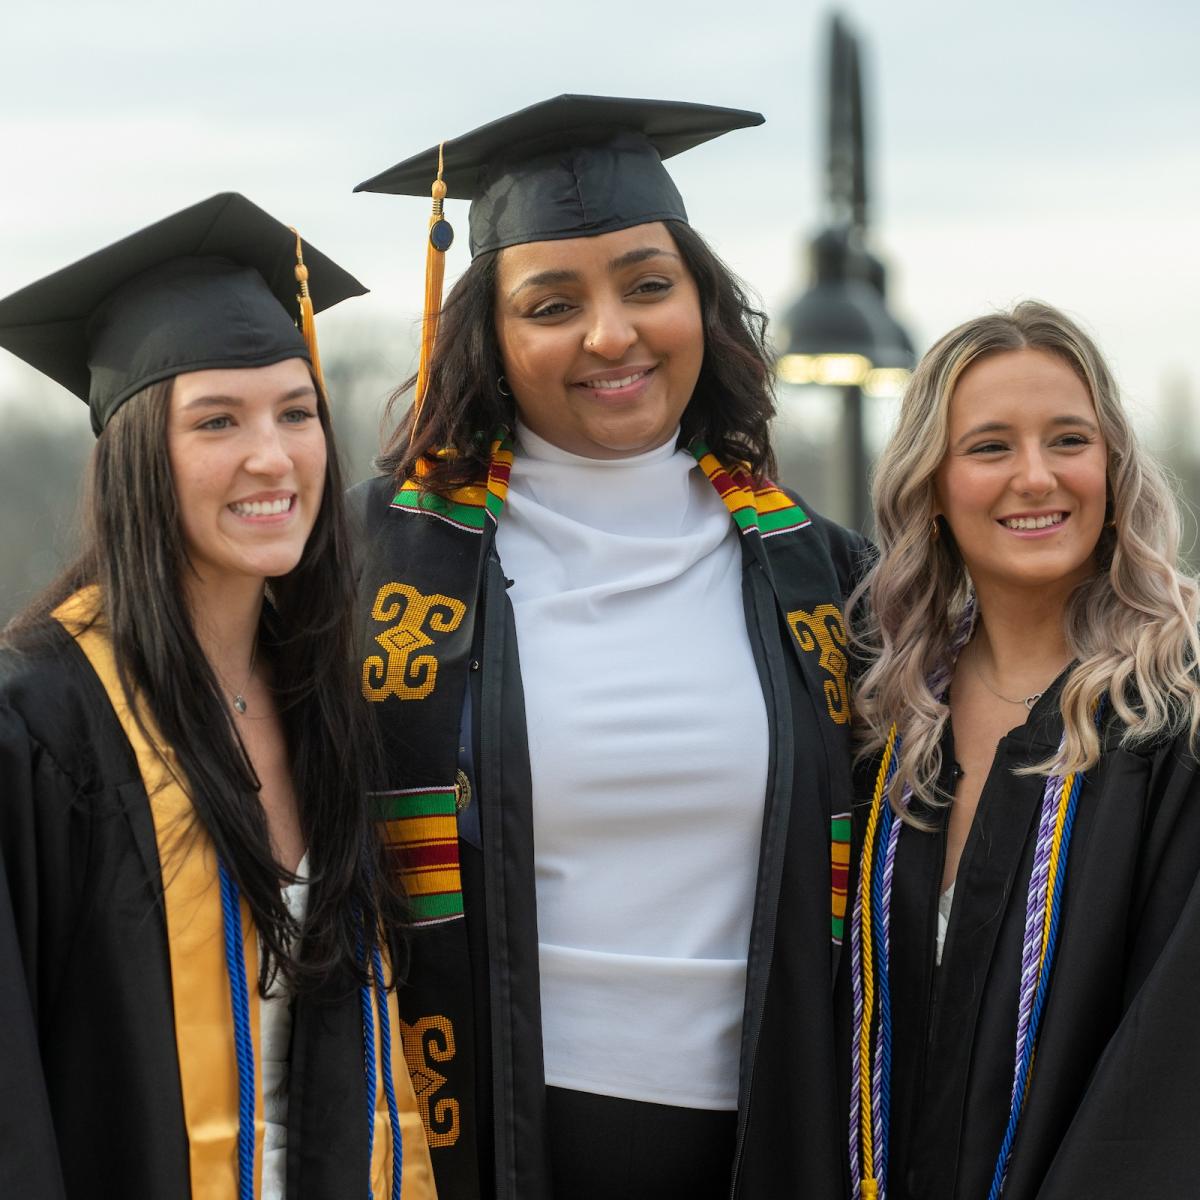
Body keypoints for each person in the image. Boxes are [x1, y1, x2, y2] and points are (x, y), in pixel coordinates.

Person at [350, 94, 870, 1200]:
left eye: (647, 284)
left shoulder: (827, 576)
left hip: (779, 1128)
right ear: (490, 334)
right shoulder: (374, 564)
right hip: (491, 1131)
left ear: (703, 303)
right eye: (552, 303)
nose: (611, 335)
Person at [0, 194, 436, 1200]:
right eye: (217, 422)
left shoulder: (331, 706)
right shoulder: (40, 727)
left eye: (296, 413)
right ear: (135, 455)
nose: (272, 457)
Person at [840, 300, 1200, 1199]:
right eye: (991, 447)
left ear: (1113, 468)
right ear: (931, 486)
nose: (1036, 477)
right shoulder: (887, 725)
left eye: (1069, 441)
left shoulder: (1177, 713)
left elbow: (1173, 1060)